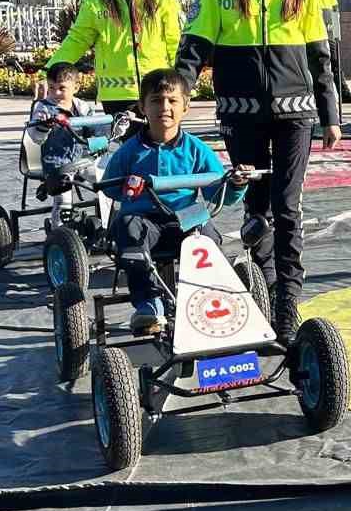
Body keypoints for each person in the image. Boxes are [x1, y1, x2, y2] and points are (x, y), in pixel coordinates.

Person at [175, 0, 340, 348]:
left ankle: (287, 303)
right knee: (256, 207)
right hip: (240, 114)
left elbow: (320, 55)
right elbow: (195, 45)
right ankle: (265, 283)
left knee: (288, 207)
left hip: (296, 116)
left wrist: (331, 113)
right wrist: (178, 92)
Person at [104, 68, 252, 336]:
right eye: (156, 101)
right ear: (142, 108)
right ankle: (149, 304)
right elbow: (110, 188)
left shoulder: (196, 149)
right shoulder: (129, 151)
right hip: (144, 220)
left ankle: (209, 301)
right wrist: (127, 188)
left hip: (186, 218)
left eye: (172, 101)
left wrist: (238, 183)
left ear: (185, 106)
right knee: (127, 228)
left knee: (207, 236)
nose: (165, 107)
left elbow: (219, 193)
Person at [47, 0, 182, 115]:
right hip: (116, 96)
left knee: (161, 143)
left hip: (158, 90)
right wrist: (49, 70)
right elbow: (78, 39)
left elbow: (176, 41)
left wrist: (183, 85)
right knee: (128, 145)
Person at [27, 62, 104, 215]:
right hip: (56, 162)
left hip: (82, 159)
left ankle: (108, 219)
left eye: (62, 88)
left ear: (76, 88)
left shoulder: (82, 106)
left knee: (108, 181)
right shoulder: (42, 108)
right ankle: (59, 233)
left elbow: (97, 128)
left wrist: (116, 125)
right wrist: (44, 125)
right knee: (64, 202)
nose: (55, 93)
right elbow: (35, 137)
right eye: (51, 88)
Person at [306, 0, 351, 105]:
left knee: (336, 62)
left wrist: (337, 32)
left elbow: (335, 9)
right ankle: (312, 95)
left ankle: (344, 93)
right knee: (314, 64)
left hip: (329, 31)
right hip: (312, 32)